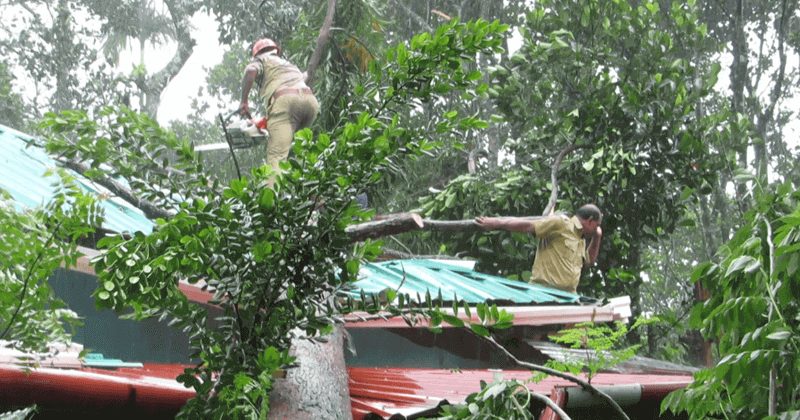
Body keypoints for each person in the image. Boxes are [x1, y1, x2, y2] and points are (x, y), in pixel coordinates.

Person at [239, 37, 319, 181]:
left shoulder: (261, 60)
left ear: (257, 54)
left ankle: (272, 202)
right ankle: (311, 194)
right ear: (276, 51)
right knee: (298, 150)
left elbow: (251, 71)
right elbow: (305, 76)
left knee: (276, 156)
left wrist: (244, 102)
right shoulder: (289, 65)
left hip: (285, 102)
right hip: (310, 103)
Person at [474, 204, 603, 293]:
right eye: (596, 225)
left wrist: (597, 237)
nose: (596, 229)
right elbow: (527, 226)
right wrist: (496, 223)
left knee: (579, 331)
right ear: (590, 221)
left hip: (569, 297)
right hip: (545, 292)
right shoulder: (561, 223)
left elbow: (589, 261)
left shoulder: (580, 239)